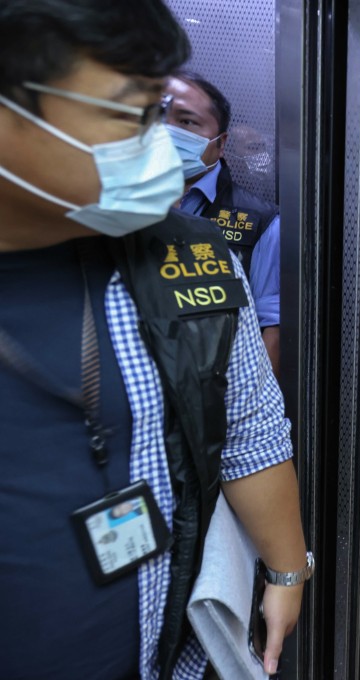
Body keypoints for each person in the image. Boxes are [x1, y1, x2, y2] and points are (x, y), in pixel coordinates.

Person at [0, 2, 308, 679]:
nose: (157, 142)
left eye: (164, 115)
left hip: (167, 648)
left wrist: (288, 570)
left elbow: (251, 424)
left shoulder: (194, 256)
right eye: (128, 113)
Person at [164, 71, 282, 375]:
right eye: (156, 117)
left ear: (220, 143)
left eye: (187, 122)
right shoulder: (113, 202)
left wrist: (251, 411)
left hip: (216, 385)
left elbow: (271, 326)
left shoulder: (261, 220)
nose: (166, 131)